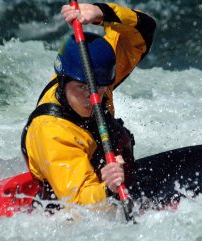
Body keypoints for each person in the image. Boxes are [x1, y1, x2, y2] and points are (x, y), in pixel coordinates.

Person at [21, 2, 156, 208]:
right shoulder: (51, 131)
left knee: (119, 136)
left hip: (109, 179)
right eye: (81, 88)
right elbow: (78, 206)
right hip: (63, 211)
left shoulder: (98, 79)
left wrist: (103, 13)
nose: (92, 97)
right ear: (63, 81)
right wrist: (107, 189)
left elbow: (143, 29)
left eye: (100, 88)